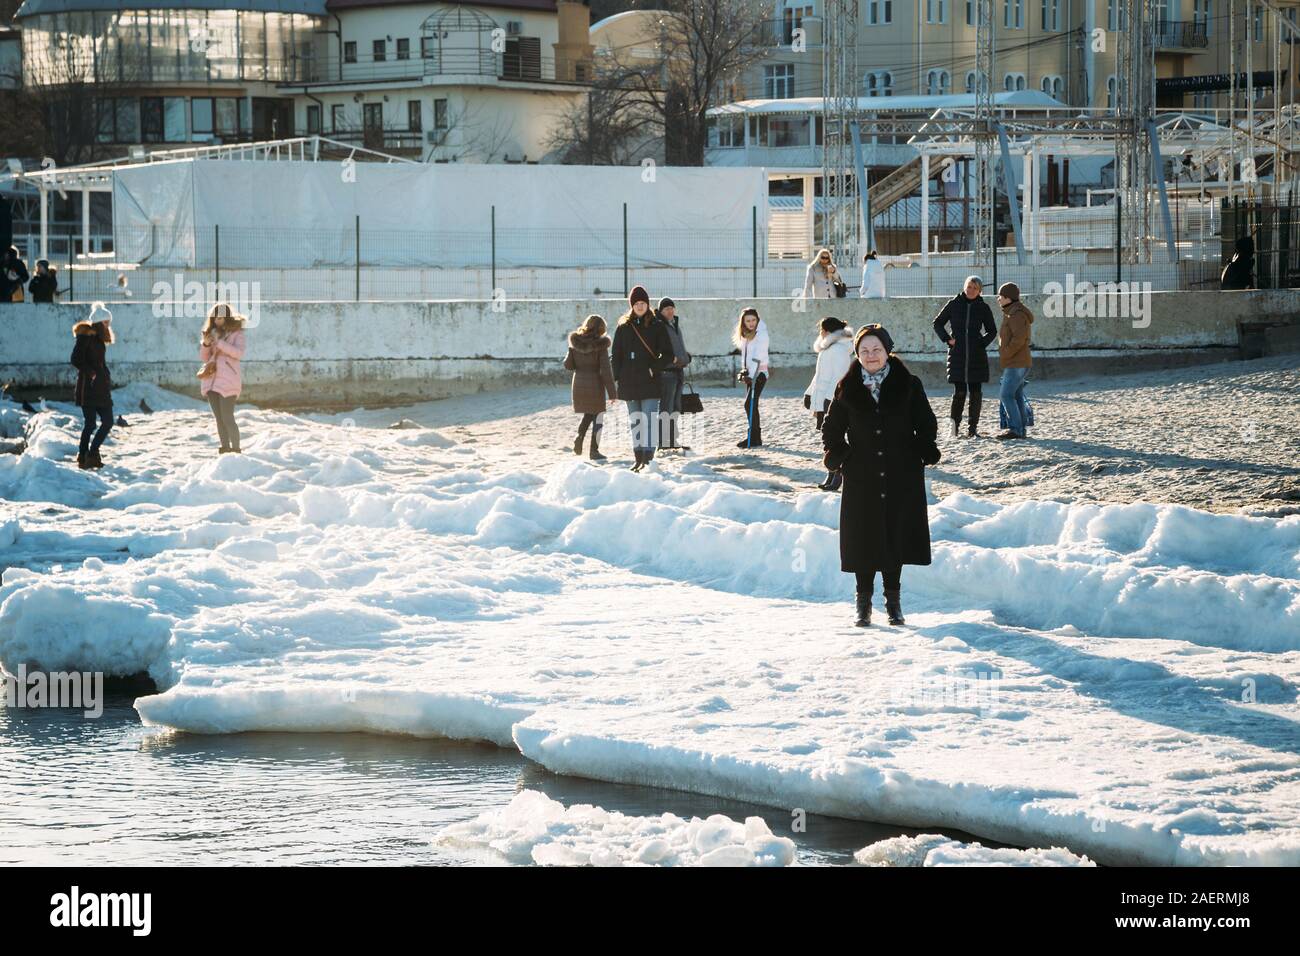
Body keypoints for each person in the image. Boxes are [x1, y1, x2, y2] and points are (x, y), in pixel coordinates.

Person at [821, 324, 940, 628]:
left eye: (876, 350)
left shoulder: (908, 384)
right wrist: (842, 456)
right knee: (864, 538)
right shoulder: (847, 387)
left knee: (894, 536)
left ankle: (894, 604)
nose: (871, 355)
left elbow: (926, 422)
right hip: (862, 475)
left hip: (901, 472)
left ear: (888, 351)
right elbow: (831, 428)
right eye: (864, 351)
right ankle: (863, 604)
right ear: (857, 354)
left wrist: (920, 449)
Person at [611, 285, 673, 472]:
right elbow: (616, 355)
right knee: (636, 422)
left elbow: (668, 354)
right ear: (631, 305)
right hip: (629, 383)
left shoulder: (657, 326)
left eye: (643, 303)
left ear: (647, 304)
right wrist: (617, 377)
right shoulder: (623, 328)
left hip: (650, 382)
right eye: (636, 303)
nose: (640, 306)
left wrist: (654, 369)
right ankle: (638, 459)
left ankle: (647, 459)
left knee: (649, 421)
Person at [932, 274, 997, 439]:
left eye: (975, 288)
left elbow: (992, 330)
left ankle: (972, 429)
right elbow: (937, 323)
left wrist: (981, 343)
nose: (971, 290)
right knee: (959, 392)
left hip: (977, 356)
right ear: (964, 287)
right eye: (969, 286)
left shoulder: (983, 308)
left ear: (980, 291)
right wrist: (948, 339)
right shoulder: (954, 304)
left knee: (976, 392)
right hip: (957, 355)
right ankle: (953, 429)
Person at [803, 317, 855, 490]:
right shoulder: (828, 349)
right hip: (825, 399)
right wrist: (809, 393)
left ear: (826, 331)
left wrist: (830, 400)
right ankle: (832, 471)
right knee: (828, 438)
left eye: (821, 330)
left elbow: (839, 378)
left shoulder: (838, 350)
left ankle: (838, 473)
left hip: (833, 401)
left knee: (835, 437)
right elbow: (819, 376)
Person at [563, 313, 617, 462]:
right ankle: (594, 450)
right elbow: (606, 371)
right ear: (601, 329)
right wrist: (612, 393)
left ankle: (579, 438)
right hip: (595, 384)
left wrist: (571, 351)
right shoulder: (601, 346)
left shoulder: (575, 343)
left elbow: (568, 365)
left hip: (579, 383)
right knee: (597, 416)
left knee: (589, 414)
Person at [70, 302, 115, 469]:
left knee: (108, 421)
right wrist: (92, 373)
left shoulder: (99, 340)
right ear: (98, 323)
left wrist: (105, 375)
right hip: (87, 388)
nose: (108, 325)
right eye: (106, 322)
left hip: (101, 389)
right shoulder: (86, 338)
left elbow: (100, 363)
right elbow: (75, 359)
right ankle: (83, 456)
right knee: (90, 424)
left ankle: (92, 452)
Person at [199, 302, 247, 454]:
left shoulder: (237, 334)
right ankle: (225, 449)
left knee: (227, 417)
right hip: (212, 381)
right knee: (219, 419)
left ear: (227, 318)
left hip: (229, 381)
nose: (217, 321)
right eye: (215, 318)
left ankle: (236, 449)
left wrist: (219, 343)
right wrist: (206, 345)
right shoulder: (211, 332)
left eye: (220, 318)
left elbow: (238, 353)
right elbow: (205, 358)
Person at [994, 282, 1034, 440]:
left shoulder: (1016, 314)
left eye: (1001, 296)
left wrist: (1006, 352)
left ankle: (1016, 429)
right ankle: (1021, 430)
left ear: (1008, 298)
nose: (998, 299)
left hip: (1017, 362)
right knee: (1016, 395)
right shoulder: (1011, 312)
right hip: (1016, 361)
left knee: (1006, 395)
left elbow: (1019, 339)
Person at [656, 296, 692, 452]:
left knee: (676, 407)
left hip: (679, 371)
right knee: (666, 408)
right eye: (666, 309)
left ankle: (672, 440)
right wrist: (677, 360)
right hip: (667, 373)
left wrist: (686, 357)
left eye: (672, 308)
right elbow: (663, 352)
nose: (670, 311)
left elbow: (679, 347)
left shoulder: (675, 325)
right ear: (661, 311)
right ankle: (663, 442)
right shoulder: (659, 326)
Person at [734, 306, 770, 448]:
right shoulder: (745, 335)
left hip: (759, 373)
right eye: (747, 320)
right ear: (743, 322)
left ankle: (754, 437)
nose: (751, 323)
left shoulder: (761, 335)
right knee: (751, 405)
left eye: (753, 320)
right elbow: (746, 357)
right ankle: (755, 438)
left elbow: (758, 357)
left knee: (749, 404)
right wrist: (744, 371)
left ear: (757, 320)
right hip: (750, 373)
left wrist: (751, 375)